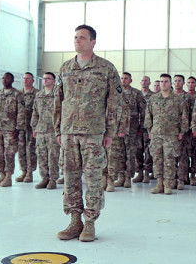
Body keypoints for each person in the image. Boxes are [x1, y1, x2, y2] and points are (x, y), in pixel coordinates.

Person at [54, 24, 122, 242]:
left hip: (93, 133)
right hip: (69, 132)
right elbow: (58, 101)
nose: (77, 40)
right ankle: (75, 221)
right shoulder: (65, 68)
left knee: (93, 179)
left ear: (93, 42)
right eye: (75, 37)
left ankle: (90, 223)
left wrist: (110, 131)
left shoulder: (106, 68)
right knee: (70, 178)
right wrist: (58, 130)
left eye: (82, 37)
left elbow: (114, 103)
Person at [145, 74, 189, 195]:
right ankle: (159, 184)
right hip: (156, 134)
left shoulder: (178, 99)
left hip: (172, 135)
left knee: (170, 161)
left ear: (170, 84)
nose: (163, 83)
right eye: (161, 81)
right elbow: (148, 116)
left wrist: (182, 131)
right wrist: (149, 131)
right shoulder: (153, 99)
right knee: (157, 160)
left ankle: (168, 185)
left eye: (166, 81)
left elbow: (184, 117)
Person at [0, 72, 25, 188]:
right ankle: (1, 175)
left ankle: (9, 176)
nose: (5, 80)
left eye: (8, 78)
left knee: (9, 153)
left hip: (10, 128)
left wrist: (18, 128)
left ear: (12, 80)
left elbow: (21, 112)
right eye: (3, 78)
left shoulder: (17, 94)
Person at [112, 72, 145, 187]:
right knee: (119, 153)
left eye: (126, 78)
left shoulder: (136, 93)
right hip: (117, 129)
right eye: (122, 78)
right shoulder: (116, 93)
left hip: (132, 129)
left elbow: (143, 112)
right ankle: (121, 176)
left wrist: (141, 127)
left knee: (130, 154)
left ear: (130, 80)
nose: (123, 80)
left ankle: (128, 177)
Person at [31, 72, 60, 190]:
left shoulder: (58, 94)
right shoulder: (39, 95)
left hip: (54, 130)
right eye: (44, 78)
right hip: (41, 129)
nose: (45, 80)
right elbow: (35, 112)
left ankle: (53, 179)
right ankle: (44, 178)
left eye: (48, 78)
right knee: (41, 155)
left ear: (54, 80)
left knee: (53, 155)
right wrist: (34, 127)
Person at [16, 72, 39, 183]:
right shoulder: (18, 94)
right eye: (24, 78)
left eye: (28, 78)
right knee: (21, 149)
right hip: (20, 126)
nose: (25, 80)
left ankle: (30, 172)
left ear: (33, 81)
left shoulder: (37, 94)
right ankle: (23, 171)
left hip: (31, 126)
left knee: (31, 149)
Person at [139, 76, 155, 183]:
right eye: (142, 81)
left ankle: (147, 173)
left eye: (146, 81)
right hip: (137, 127)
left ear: (149, 83)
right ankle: (139, 173)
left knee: (148, 150)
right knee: (137, 151)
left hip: (149, 127)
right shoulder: (137, 94)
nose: (144, 82)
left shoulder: (154, 96)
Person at [186, 76, 196, 186]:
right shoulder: (182, 97)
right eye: (189, 82)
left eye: (193, 83)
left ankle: (193, 176)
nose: (191, 84)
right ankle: (184, 175)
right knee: (184, 154)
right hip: (184, 131)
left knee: (195, 154)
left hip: (195, 131)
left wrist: (195, 129)